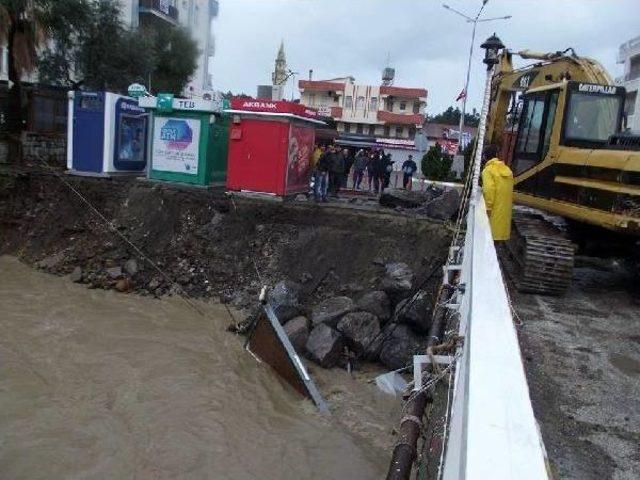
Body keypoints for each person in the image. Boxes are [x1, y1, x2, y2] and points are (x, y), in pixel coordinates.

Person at [481, 144, 514, 241]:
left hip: (493, 215)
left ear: (484, 157)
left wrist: (487, 210)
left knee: (489, 242)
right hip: (504, 217)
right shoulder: (507, 170)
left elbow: (489, 191)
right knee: (497, 242)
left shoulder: (488, 171)